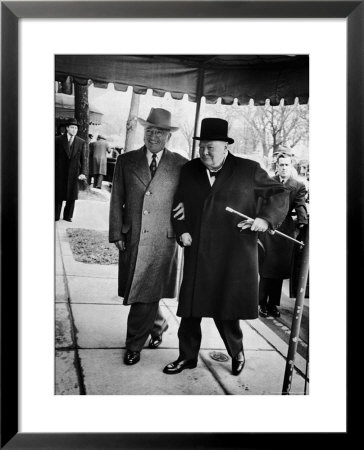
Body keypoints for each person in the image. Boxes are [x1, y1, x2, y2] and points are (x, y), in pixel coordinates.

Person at [163, 118, 289, 376]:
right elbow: (179, 203)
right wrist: (182, 230)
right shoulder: (190, 170)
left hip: (234, 253)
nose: (204, 153)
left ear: (225, 147)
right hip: (198, 251)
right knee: (190, 310)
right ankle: (187, 357)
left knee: (227, 308)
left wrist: (264, 219)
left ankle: (236, 352)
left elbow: (279, 193)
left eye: (210, 148)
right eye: (202, 147)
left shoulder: (249, 169)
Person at [109, 108, 188, 366]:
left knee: (144, 292)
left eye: (160, 132)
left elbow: (191, 198)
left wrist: (187, 209)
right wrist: (116, 231)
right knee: (143, 289)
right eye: (149, 130)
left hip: (163, 240)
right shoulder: (126, 160)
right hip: (132, 236)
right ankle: (158, 325)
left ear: (169, 136)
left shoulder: (181, 165)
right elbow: (117, 198)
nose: (153, 135)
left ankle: (134, 344)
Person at [258, 151, 308, 318]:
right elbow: (260, 203)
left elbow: (300, 205)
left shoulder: (298, 185)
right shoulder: (268, 182)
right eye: (281, 165)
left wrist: (303, 222)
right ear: (277, 167)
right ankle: (262, 304)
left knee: (278, 270)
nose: (284, 168)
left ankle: (273, 305)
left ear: (291, 166)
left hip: (284, 231)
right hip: (267, 229)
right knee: (266, 269)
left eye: (287, 165)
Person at [55, 118, 87, 222]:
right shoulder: (58, 140)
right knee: (58, 194)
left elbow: (84, 159)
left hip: (74, 173)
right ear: (67, 128)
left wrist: (83, 172)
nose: (74, 130)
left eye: (76, 128)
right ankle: (55, 215)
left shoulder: (81, 142)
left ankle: (67, 216)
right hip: (59, 171)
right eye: (72, 127)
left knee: (72, 196)